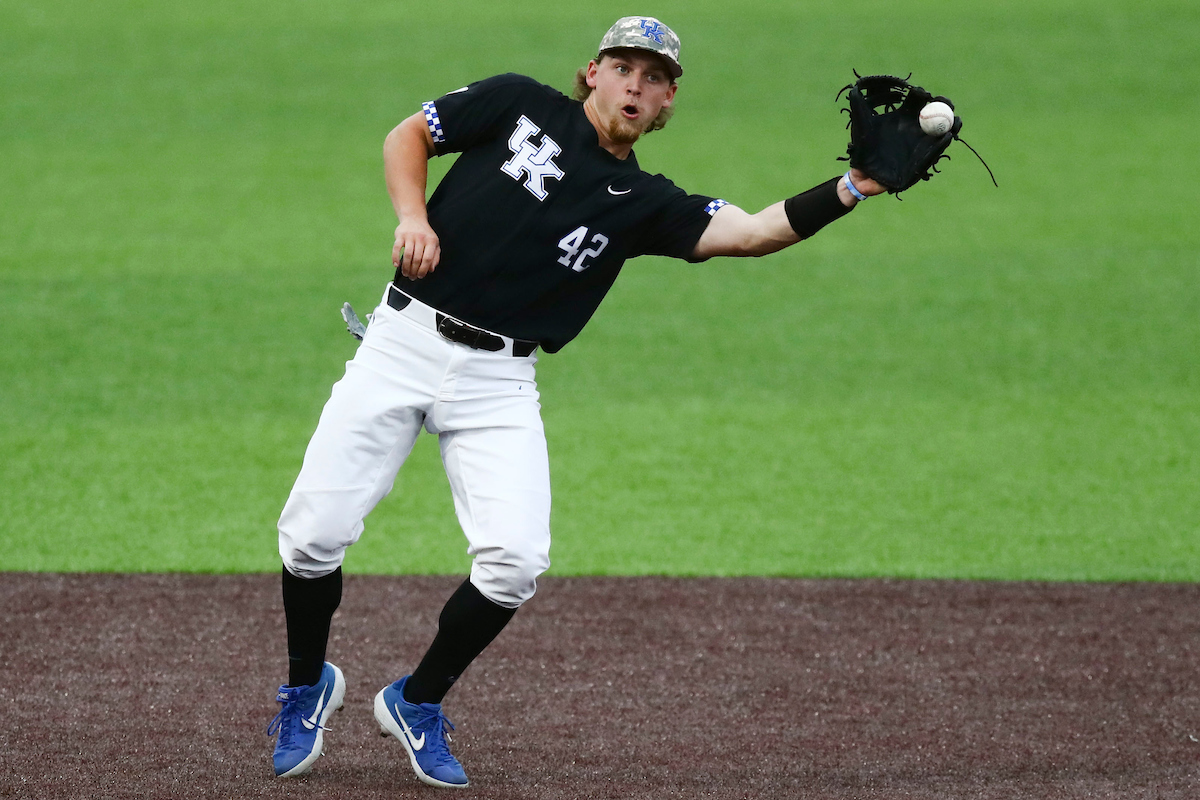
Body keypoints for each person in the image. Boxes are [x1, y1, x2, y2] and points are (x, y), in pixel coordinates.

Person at [266, 15, 884, 789]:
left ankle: (416, 701)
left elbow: (754, 232)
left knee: (516, 562)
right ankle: (305, 686)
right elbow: (407, 136)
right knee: (311, 537)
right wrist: (413, 215)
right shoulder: (515, 103)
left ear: (666, 104)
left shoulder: (645, 201)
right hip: (400, 345)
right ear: (592, 71)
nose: (637, 83)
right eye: (624, 67)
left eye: (654, 77)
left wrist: (851, 187)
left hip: (499, 382)